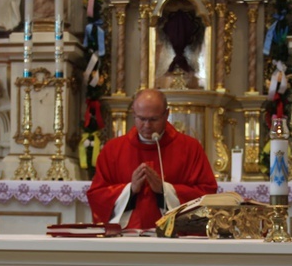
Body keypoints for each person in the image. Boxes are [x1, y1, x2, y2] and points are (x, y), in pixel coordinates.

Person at [87, 89, 218, 230]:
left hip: (176, 236)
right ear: (133, 114)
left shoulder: (190, 148)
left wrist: (164, 190)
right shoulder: (113, 149)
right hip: (126, 235)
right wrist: (130, 190)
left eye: (153, 119)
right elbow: (97, 195)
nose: (147, 126)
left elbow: (206, 194)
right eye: (142, 119)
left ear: (167, 114)